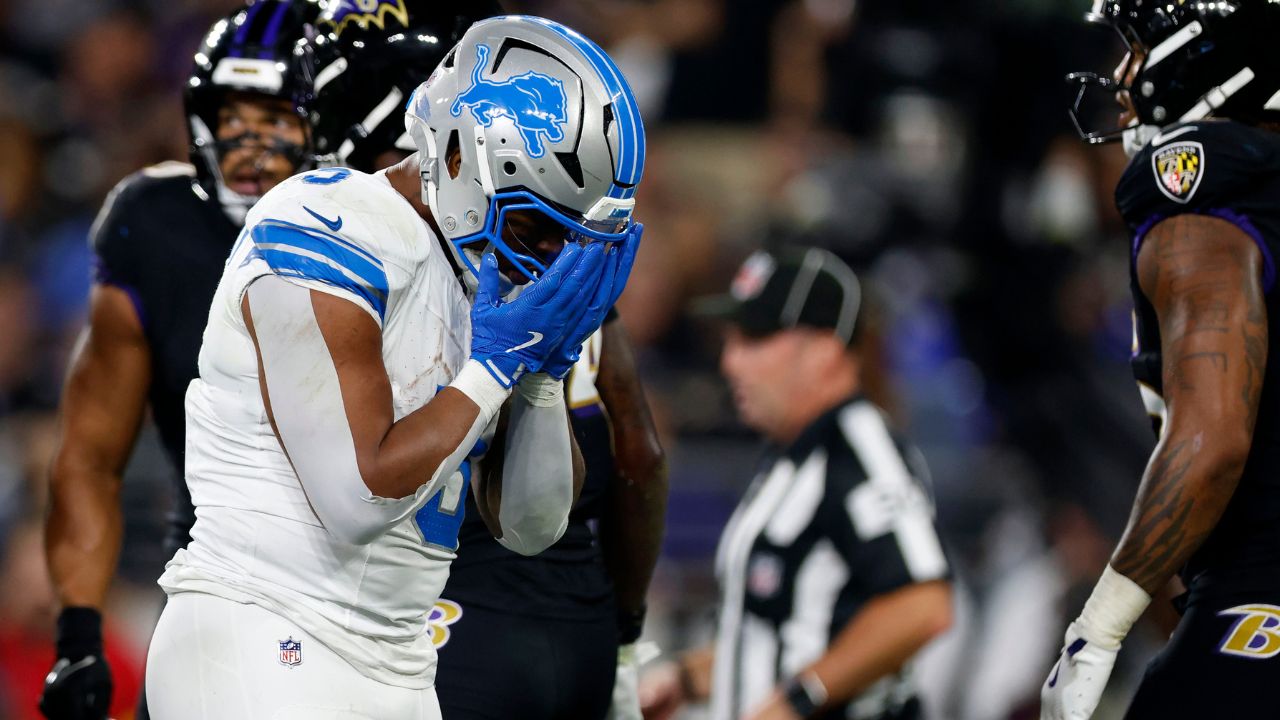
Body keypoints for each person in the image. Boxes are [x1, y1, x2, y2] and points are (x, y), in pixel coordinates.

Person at [142, 14, 647, 719]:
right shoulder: (320, 225)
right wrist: (496, 366)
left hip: (400, 658)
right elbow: (357, 498)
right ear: (458, 159)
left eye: (572, 241)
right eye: (538, 226)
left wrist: (539, 374)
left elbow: (531, 527)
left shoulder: (483, 280)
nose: (547, 260)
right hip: (263, 631)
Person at [308, 5, 668, 718]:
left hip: (448, 619)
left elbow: (359, 492)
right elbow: (642, 457)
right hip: (578, 619)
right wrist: (624, 638)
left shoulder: (358, 248)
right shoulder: (550, 268)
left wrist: (517, 372)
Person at [40, 2, 320, 718]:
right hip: (216, 580)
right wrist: (78, 632)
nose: (253, 144)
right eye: (236, 117)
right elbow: (90, 454)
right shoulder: (155, 226)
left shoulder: (393, 230)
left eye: (280, 117)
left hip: (385, 589)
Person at [1043, 1, 1280, 718]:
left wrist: (1099, 627)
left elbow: (1211, 439)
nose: (1125, 72)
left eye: (1140, 46)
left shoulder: (1200, 192)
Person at [642, 247, 952, 720]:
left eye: (754, 340)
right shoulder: (791, 457)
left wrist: (802, 697)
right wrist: (687, 679)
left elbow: (922, 603)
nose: (731, 363)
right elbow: (788, 635)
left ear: (823, 350)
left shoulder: (859, 450)